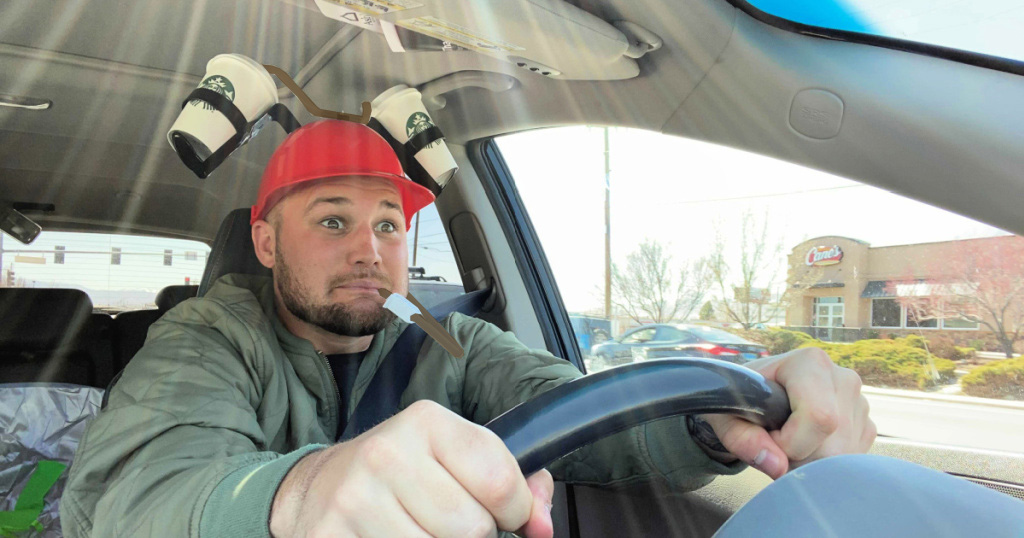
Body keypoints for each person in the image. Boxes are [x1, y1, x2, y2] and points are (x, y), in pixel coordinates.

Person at [61, 120, 875, 538]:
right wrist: (302, 496)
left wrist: (707, 419)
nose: (369, 251)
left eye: (388, 225)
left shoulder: (437, 333)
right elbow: (136, 495)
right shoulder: (212, 335)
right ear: (267, 242)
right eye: (333, 221)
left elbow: (566, 405)